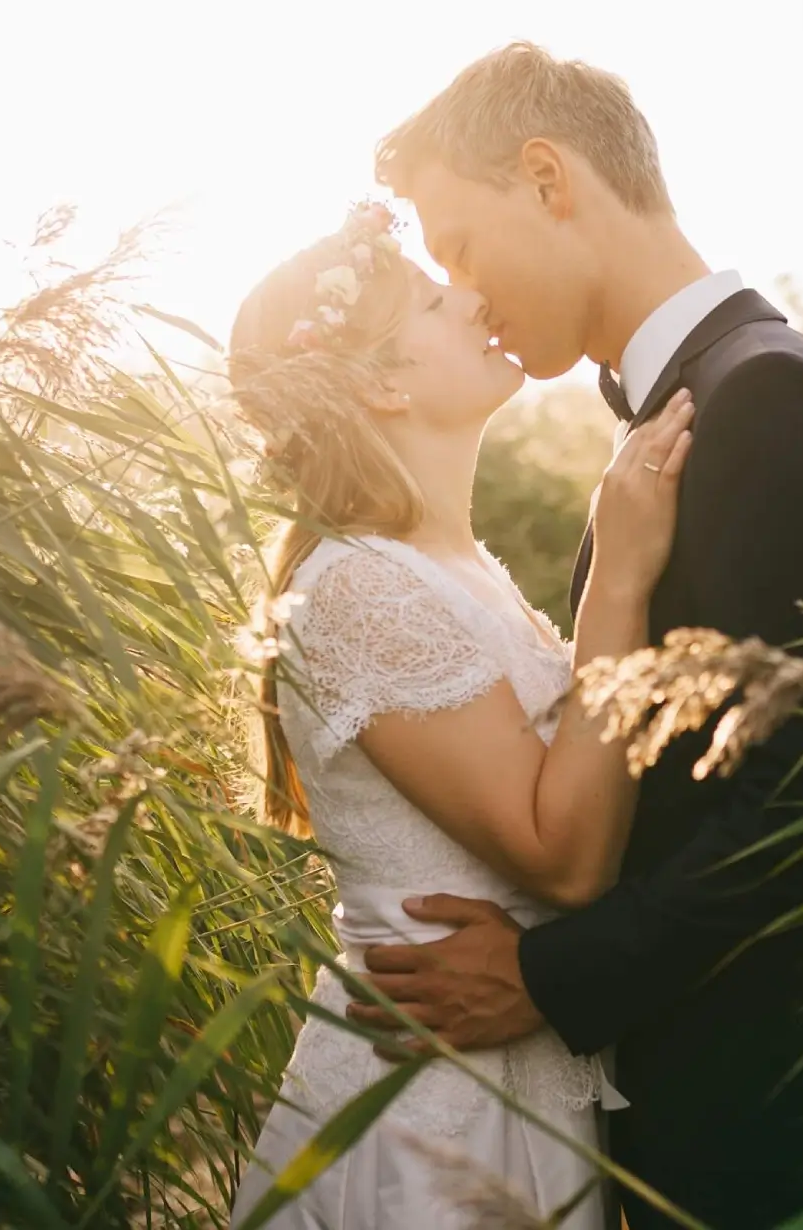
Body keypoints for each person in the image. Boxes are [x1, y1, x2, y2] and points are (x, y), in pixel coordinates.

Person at [350, 42, 803, 1227]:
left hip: (785, 1116)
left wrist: (546, 978)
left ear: (548, 178)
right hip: (711, 1102)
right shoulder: (694, 406)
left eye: (459, 245)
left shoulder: (766, 400)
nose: (464, 293)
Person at [223, 198, 693, 1229]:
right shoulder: (356, 589)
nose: (473, 295)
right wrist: (616, 574)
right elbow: (565, 858)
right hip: (426, 1125)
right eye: (437, 300)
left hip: (505, 1083)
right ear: (382, 383)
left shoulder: (453, 569)